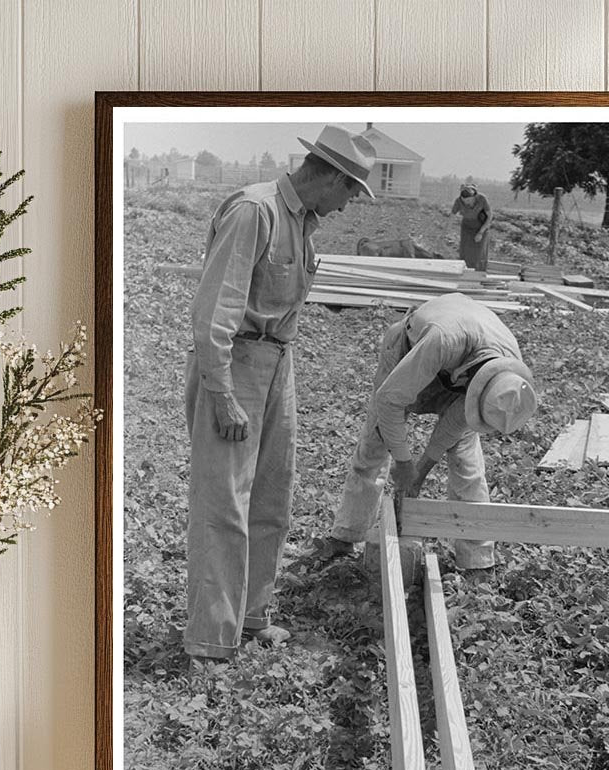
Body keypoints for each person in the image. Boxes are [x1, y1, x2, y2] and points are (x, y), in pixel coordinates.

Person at [185, 125, 376, 664]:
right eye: (349, 192)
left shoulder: (305, 226)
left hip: (277, 363)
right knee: (224, 502)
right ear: (332, 177)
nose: (346, 207)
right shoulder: (255, 212)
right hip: (235, 362)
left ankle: (250, 617)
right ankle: (210, 641)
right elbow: (213, 315)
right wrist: (221, 394)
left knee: (271, 499)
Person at [316, 292, 537, 570]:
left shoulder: (509, 380)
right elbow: (390, 400)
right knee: (375, 442)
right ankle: (346, 536)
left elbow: (453, 426)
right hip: (410, 350)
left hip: (461, 367)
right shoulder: (443, 341)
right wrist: (403, 462)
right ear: (475, 386)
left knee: (466, 460)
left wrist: (419, 472)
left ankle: (477, 561)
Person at [448, 183, 492, 271]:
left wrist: (480, 232)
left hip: (481, 226)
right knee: (465, 251)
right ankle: (465, 272)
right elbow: (452, 216)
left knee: (479, 253)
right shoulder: (458, 201)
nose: (466, 203)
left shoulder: (482, 199)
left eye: (468, 200)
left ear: (474, 197)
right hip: (467, 227)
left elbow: (490, 216)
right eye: (464, 200)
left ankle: (478, 273)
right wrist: (448, 230)